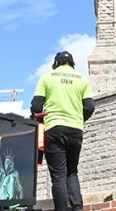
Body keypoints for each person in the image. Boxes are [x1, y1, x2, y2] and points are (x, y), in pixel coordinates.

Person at [31, 51, 95, 211]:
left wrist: (41, 120)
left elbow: (36, 107)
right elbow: (89, 107)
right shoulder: (82, 80)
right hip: (76, 130)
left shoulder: (47, 78)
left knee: (58, 176)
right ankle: (78, 208)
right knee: (72, 172)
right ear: (72, 63)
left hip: (54, 129)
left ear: (55, 63)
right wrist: (78, 119)